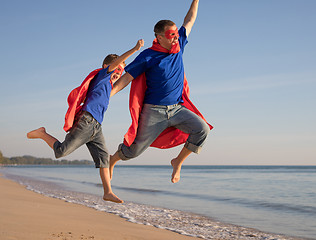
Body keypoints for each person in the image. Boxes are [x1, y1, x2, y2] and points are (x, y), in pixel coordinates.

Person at [27, 39, 144, 203]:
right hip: (86, 121)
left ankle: (107, 192)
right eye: (117, 68)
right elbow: (116, 63)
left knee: (104, 159)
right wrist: (135, 49)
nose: (118, 72)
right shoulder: (103, 76)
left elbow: (124, 81)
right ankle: (42, 133)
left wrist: (141, 65)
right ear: (107, 67)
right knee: (61, 152)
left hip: (96, 127)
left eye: (121, 70)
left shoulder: (108, 86)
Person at [110, 0, 212, 183]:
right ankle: (113, 159)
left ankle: (177, 162)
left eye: (175, 33)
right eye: (171, 34)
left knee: (202, 129)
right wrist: (107, 95)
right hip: (154, 112)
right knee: (134, 150)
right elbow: (126, 79)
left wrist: (195, 0)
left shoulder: (179, 44)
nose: (175, 37)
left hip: (177, 109)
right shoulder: (148, 56)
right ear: (159, 37)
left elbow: (189, 20)